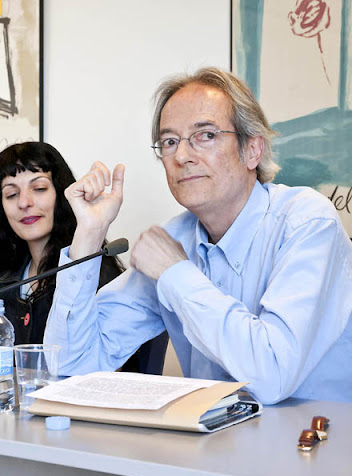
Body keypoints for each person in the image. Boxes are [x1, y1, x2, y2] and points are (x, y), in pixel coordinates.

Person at [44, 67, 352, 405]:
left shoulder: (307, 222)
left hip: (314, 434)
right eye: (169, 142)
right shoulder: (174, 238)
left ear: (253, 150)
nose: (182, 156)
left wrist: (177, 274)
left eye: (205, 135)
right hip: (210, 435)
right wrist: (89, 235)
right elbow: (70, 366)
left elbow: (272, 376)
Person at [0, 141, 167, 373]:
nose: (24, 202)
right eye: (11, 194)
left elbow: (103, 374)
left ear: (62, 195)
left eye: (39, 188)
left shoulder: (91, 271)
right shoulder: (7, 279)